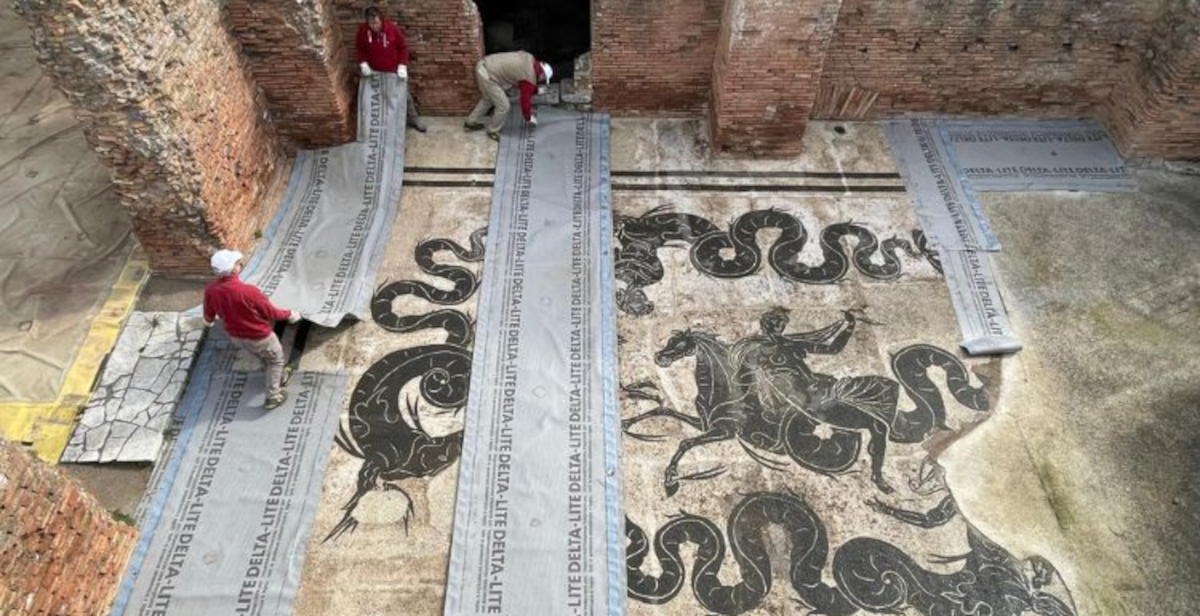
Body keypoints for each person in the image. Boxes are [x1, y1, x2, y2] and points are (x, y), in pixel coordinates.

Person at [203, 249, 302, 410]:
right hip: (261, 337)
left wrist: (209, 321)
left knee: (262, 357)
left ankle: (275, 376)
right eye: (237, 262)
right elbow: (272, 313)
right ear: (234, 269)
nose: (240, 263)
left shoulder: (211, 291)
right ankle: (273, 395)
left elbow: (208, 316)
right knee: (275, 360)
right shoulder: (249, 292)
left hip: (237, 337)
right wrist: (290, 314)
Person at [357, 6, 427, 133]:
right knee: (382, 99)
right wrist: (363, 63)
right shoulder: (363, 31)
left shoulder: (392, 29)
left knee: (405, 96)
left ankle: (414, 119)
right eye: (371, 24)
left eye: (376, 23)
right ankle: (388, 124)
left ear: (381, 20)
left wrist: (402, 65)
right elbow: (360, 48)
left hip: (394, 71)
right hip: (375, 73)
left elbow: (403, 48)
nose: (374, 26)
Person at [464, 51, 552, 141]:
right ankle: (492, 131)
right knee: (504, 106)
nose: (541, 81)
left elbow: (521, 81)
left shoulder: (529, 58)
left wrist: (537, 90)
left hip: (484, 65)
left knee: (488, 99)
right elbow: (525, 100)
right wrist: (529, 118)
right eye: (544, 79)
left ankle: (470, 122)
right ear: (542, 75)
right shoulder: (530, 77)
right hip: (488, 76)